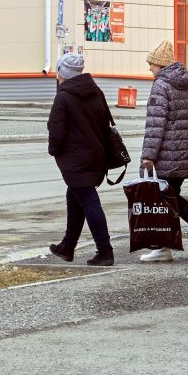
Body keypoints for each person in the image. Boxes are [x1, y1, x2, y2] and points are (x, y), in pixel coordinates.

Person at [140, 40, 188, 261]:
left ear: (161, 65)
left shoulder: (161, 86)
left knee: (166, 198)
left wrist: (148, 156)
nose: (150, 68)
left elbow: (156, 125)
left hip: (168, 155)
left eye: (152, 64)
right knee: (170, 197)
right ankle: (165, 247)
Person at [46, 52, 116, 267]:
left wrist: (54, 150)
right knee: (74, 196)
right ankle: (68, 246)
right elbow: (106, 122)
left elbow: (56, 129)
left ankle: (105, 251)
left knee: (88, 200)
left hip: (75, 158)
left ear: (62, 74)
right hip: (96, 154)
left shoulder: (64, 96)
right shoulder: (95, 91)